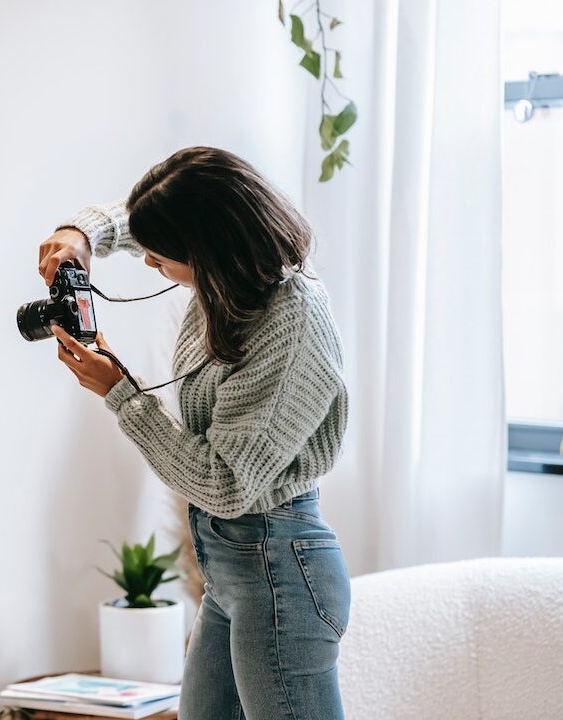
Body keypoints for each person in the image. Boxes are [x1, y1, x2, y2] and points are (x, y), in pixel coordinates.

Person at [38, 146, 351, 719]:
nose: (152, 266)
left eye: (161, 258)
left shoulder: (291, 320)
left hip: (279, 570)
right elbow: (151, 221)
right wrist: (81, 234)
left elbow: (226, 483)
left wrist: (120, 395)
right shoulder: (234, 288)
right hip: (232, 571)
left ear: (209, 248)